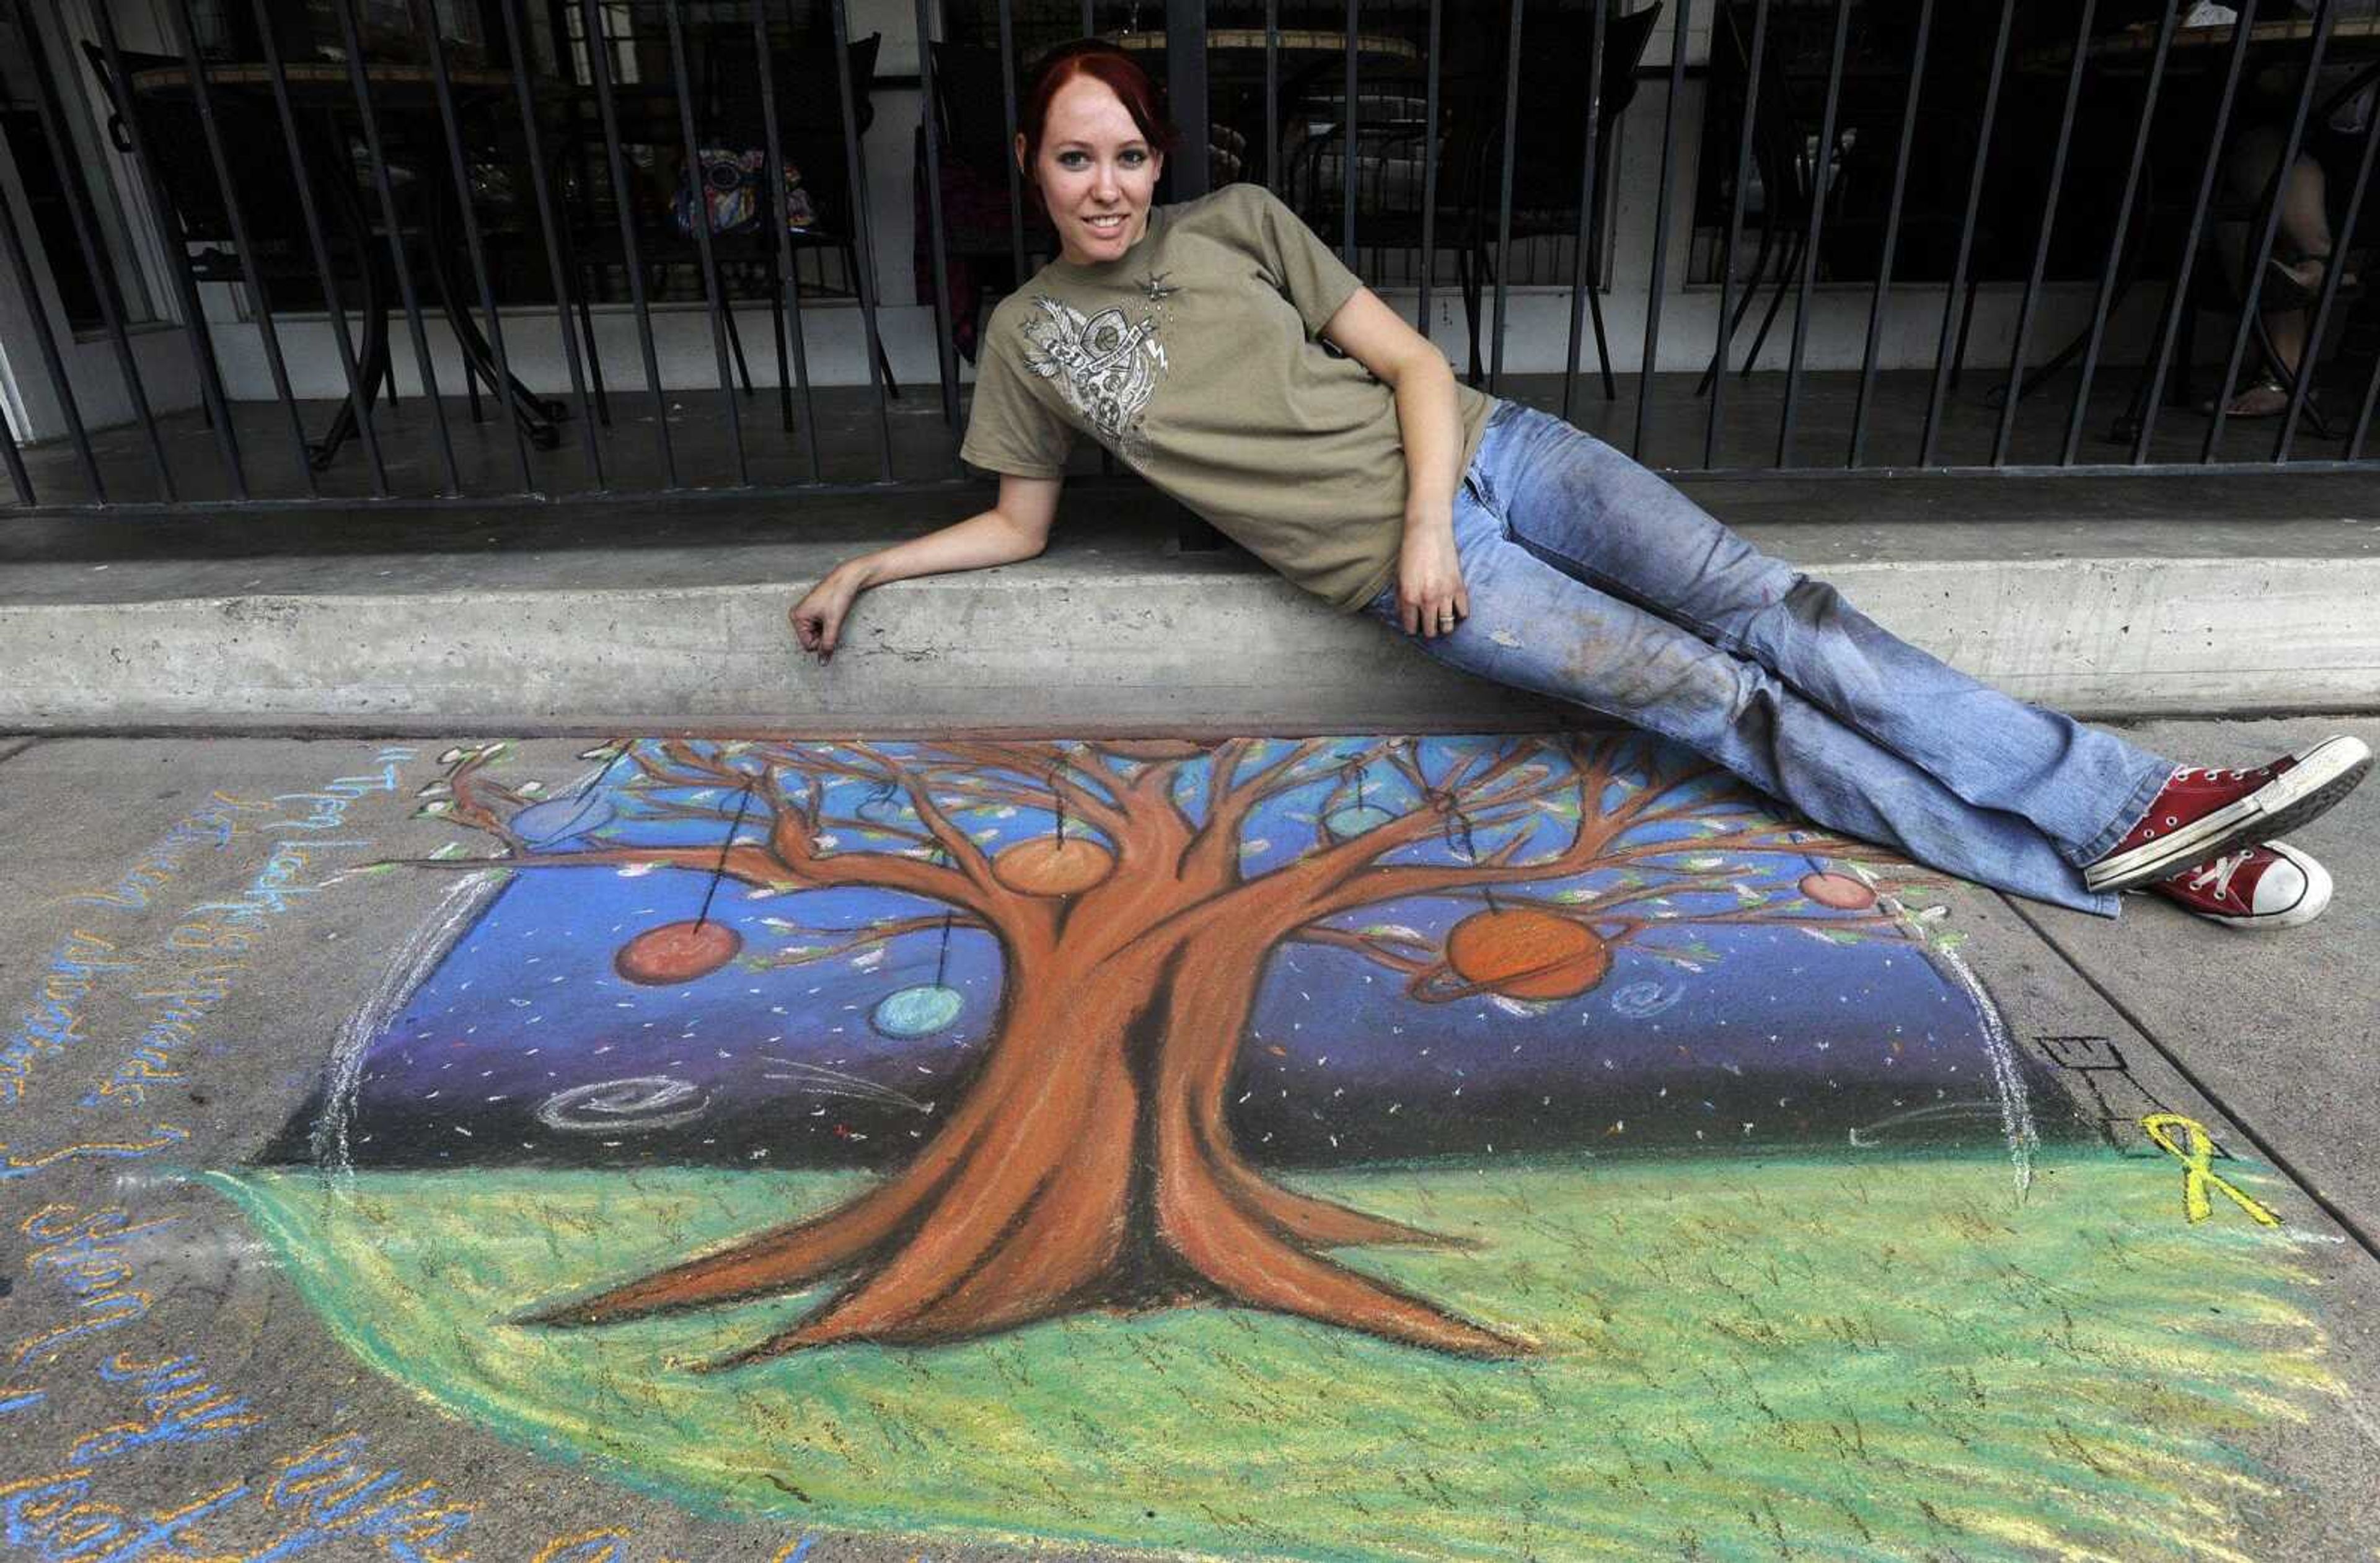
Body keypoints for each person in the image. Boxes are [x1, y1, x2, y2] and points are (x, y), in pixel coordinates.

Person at [792, 38, 2369, 929]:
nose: (1110, 186)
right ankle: (2127, 859)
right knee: (1718, 700)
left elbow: (1412, 366)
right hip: (1405, 572)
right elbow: (1019, 521)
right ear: (1028, 163)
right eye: (1077, 159)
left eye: (1129, 154)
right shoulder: (1027, 338)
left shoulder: (1246, 223)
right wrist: (870, 570)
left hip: (1494, 460)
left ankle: (2133, 799)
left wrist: (1429, 517)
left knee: (1775, 611)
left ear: (1159, 157)